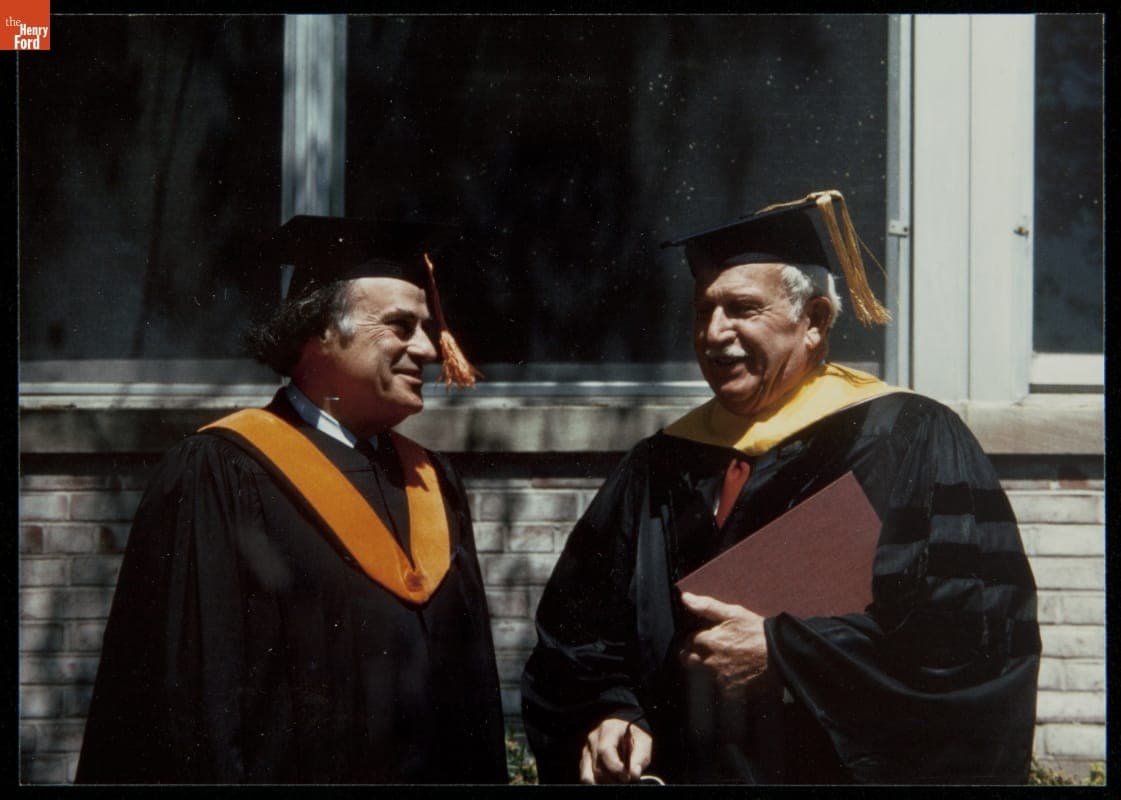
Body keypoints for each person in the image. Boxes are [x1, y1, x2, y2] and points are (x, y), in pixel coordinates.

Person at [521, 190, 1041, 785]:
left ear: (814, 321)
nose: (714, 333)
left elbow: (973, 638)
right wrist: (612, 711)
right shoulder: (658, 463)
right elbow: (578, 632)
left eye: (743, 308)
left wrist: (787, 653)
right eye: (703, 310)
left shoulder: (908, 439)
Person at [76, 216, 508, 784]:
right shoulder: (223, 473)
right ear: (321, 332)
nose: (427, 348)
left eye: (427, 328)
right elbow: (190, 711)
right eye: (401, 327)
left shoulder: (434, 480)